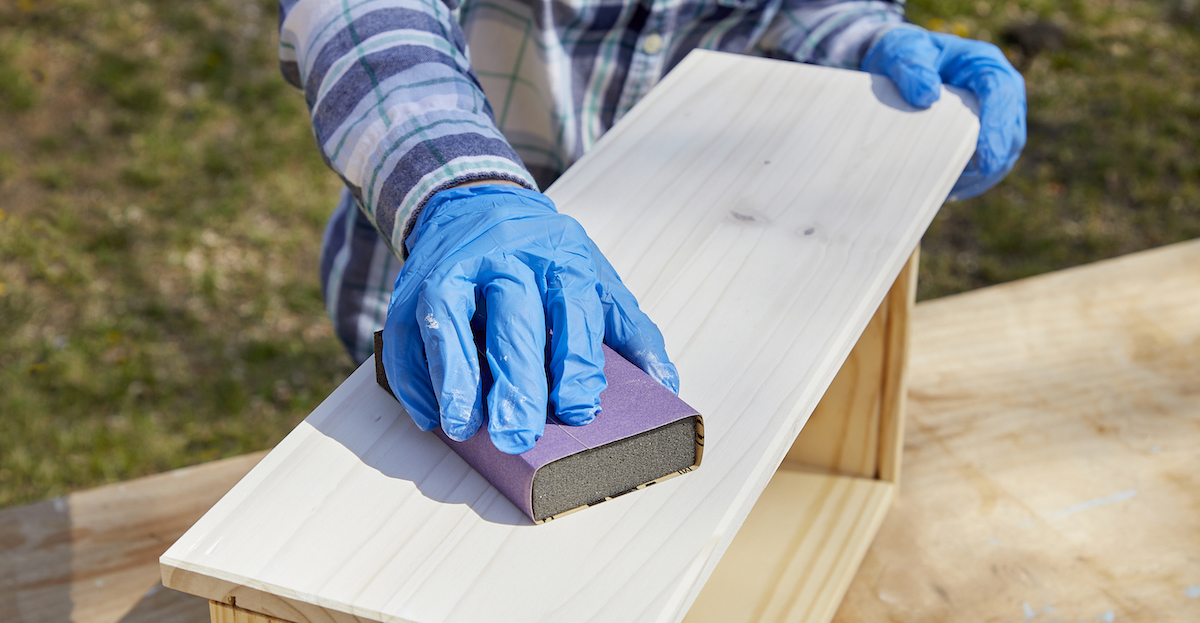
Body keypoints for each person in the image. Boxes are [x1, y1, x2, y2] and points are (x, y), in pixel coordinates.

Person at [279, 0, 1025, 454]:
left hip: (671, 292)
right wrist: (460, 189)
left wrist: (861, 38)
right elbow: (363, 14)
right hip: (442, 277)